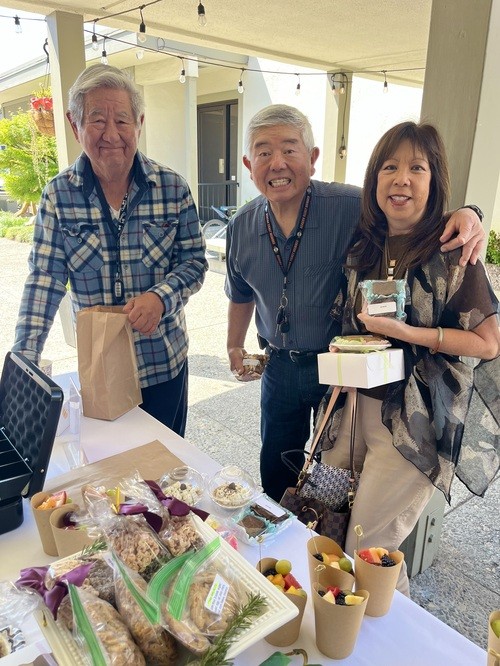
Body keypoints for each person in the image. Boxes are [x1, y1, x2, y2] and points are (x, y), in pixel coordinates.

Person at [225, 104, 486, 503]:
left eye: (290, 149)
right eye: (264, 152)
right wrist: (233, 344)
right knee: (276, 465)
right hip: (279, 367)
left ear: (312, 158)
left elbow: (406, 206)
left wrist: (470, 214)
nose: (277, 163)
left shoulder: (348, 206)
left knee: (333, 475)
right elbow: (240, 292)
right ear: (248, 164)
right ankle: (281, 532)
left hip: (339, 366)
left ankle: (332, 530)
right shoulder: (241, 225)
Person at [323, 120, 499, 595]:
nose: (401, 179)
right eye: (390, 167)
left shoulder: (452, 251)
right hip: (353, 408)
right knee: (330, 525)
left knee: (370, 547)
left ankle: (384, 629)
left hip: (411, 424)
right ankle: (345, 623)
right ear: (374, 179)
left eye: (416, 168)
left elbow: (488, 342)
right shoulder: (365, 246)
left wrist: (410, 334)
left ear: (434, 180)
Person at [12, 64, 208, 436]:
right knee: (110, 467)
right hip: (101, 369)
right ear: (75, 125)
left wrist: (161, 298)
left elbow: (194, 261)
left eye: (122, 120)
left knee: (165, 465)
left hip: (162, 364)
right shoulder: (58, 196)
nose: (111, 134)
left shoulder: (172, 188)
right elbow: (44, 281)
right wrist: (23, 360)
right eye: (97, 120)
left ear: (139, 124)